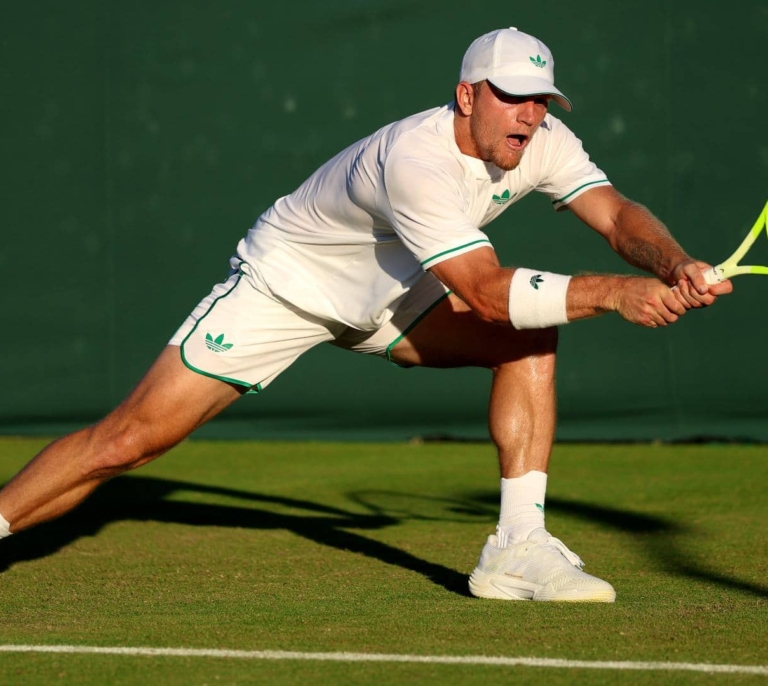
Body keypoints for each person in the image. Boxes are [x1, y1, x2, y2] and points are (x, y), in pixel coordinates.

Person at [0, 27, 731, 602]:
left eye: (542, 100)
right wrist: (613, 294)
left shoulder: (542, 141)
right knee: (128, 442)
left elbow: (617, 214)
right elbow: (480, 289)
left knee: (529, 337)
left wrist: (671, 263)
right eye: (513, 97)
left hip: (391, 293)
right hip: (283, 286)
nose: (530, 115)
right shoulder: (416, 158)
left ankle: (517, 548)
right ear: (467, 95)